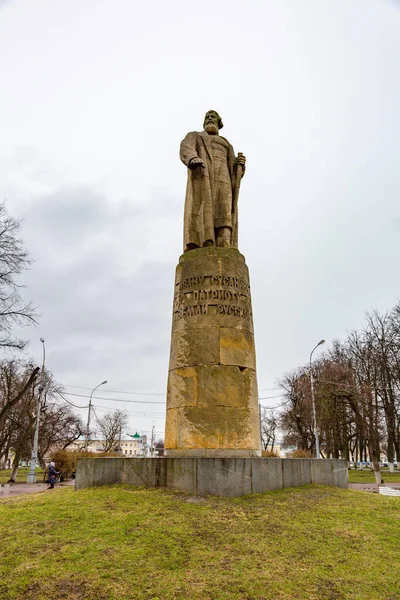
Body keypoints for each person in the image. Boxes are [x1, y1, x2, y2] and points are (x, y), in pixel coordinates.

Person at [180, 110, 246, 252]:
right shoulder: (195, 136)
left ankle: (225, 245)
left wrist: (239, 165)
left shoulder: (226, 144)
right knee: (204, 210)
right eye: (207, 117)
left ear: (219, 123)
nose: (210, 119)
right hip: (203, 176)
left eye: (213, 117)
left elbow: (234, 169)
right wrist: (192, 158)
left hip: (224, 178)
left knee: (224, 209)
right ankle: (205, 241)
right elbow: (186, 147)